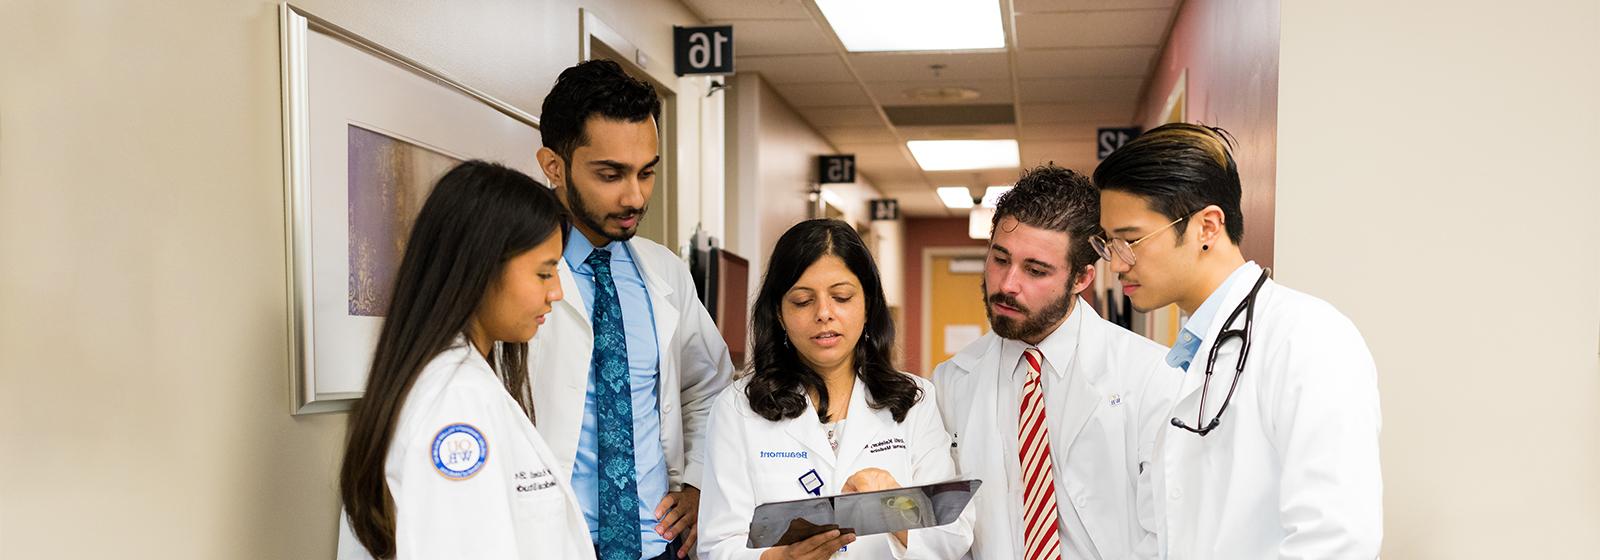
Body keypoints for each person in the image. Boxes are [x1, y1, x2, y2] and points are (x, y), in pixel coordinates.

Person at [1093, 123, 1382, 558]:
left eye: (1130, 241)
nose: (1115, 264)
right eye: (1109, 243)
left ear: (1207, 227)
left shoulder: (1307, 336)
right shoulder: (1190, 356)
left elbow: (1337, 538)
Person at [528, 59, 734, 560]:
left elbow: (709, 388)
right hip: (553, 542)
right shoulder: (512, 277)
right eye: (611, 174)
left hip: (657, 546)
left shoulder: (663, 273)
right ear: (554, 166)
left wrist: (698, 484)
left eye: (646, 173)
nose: (635, 195)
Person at [336, 160, 591, 559]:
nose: (556, 292)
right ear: (481, 267)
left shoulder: (462, 382)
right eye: (545, 274)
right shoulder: (456, 401)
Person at [933, 165, 1180, 560]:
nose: (1007, 284)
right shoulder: (950, 382)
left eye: (1035, 270)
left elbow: (1168, 530)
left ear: (1081, 277)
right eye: (999, 259)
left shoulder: (1150, 376)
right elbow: (949, 530)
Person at [698, 219, 973, 560]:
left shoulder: (915, 400)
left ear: (868, 304)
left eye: (841, 297)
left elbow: (953, 536)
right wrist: (781, 559)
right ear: (780, 314)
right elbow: (718, 546)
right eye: (802, 301)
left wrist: (894, 503)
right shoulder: (738, 409)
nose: (824, 313)